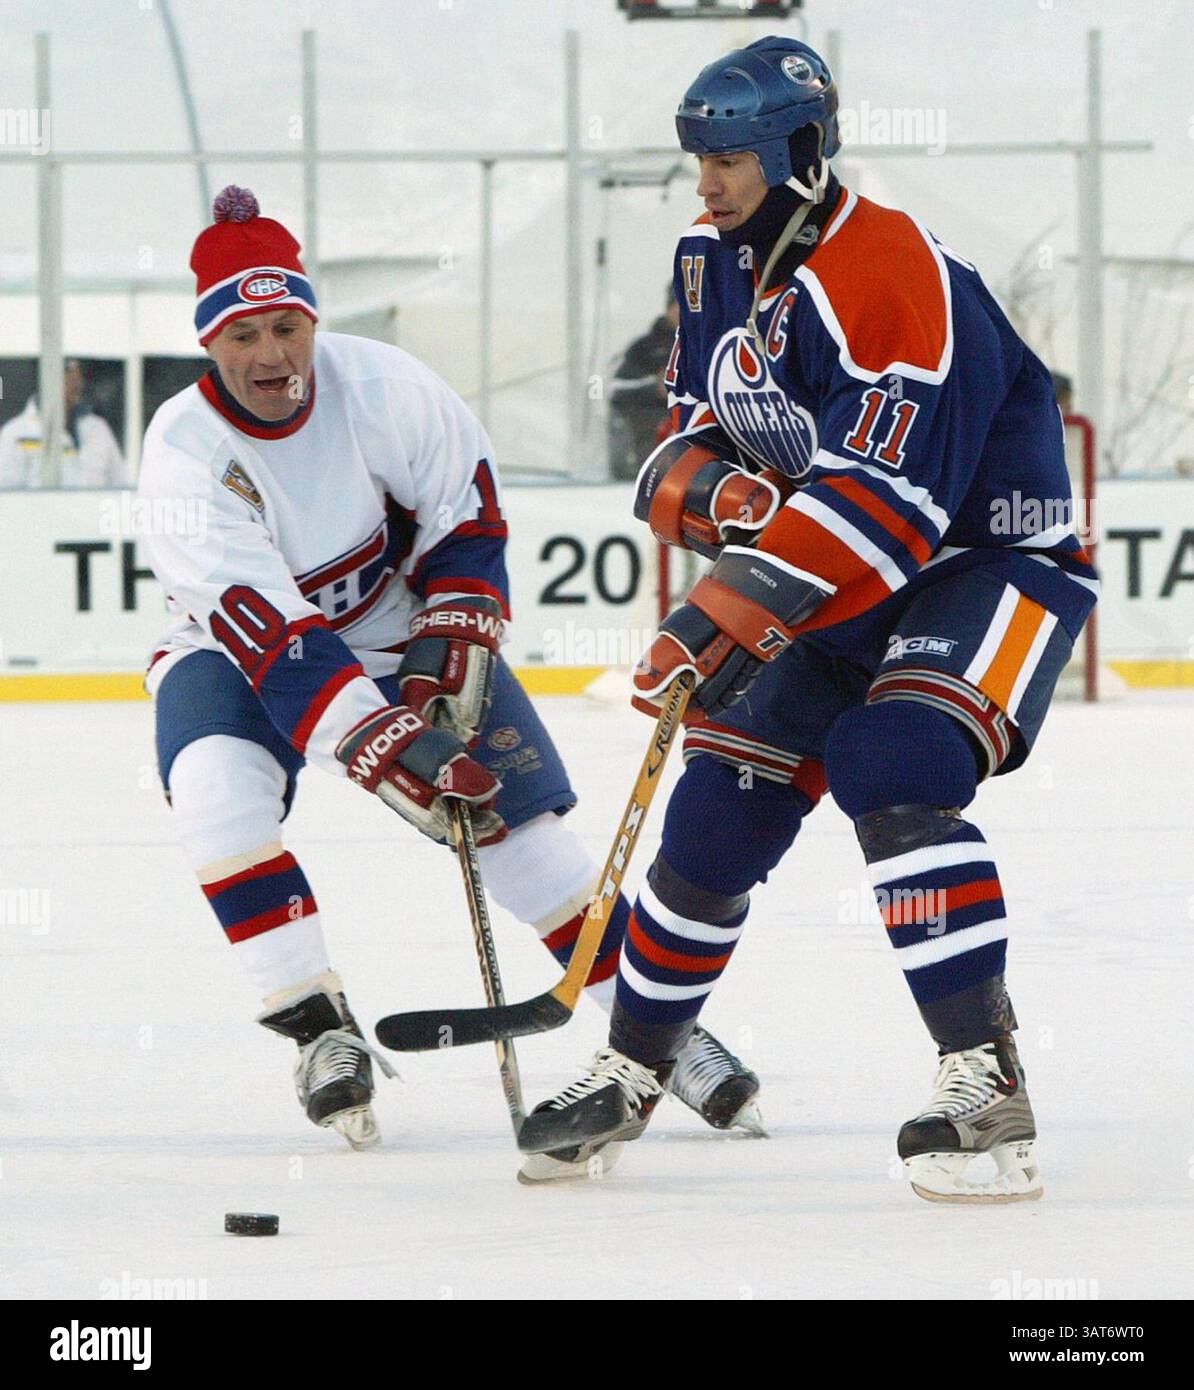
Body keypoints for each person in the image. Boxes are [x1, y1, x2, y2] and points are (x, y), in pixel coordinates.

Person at [521, 39, 1098, 1203]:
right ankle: (635, 1067)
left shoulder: (890, 272)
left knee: (893, 761)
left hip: (981, 564)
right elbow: (689, 433)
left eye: (729, 157)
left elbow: (886, 507)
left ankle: (983, 1080)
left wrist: (719, 606)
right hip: (842, 571)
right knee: (715, 813)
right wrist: (726, 498)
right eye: (700, 159)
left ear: (800, 148)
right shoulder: (707, 261)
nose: (707, 183)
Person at [137, 186, 762, 1177]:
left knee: (531, 848)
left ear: (312, 319)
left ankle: (660, 1031)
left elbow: (466, 522)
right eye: (245, 333)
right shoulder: (183, 460)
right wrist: (390, 747)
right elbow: (280, 645)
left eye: (288, 326)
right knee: (217, 795)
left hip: (397, 628)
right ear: (210, 342)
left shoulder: (384, 385)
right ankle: (316, 1027)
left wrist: (454, 636)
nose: (272, 356)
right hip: (238, 651)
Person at [0, 360, 126, 488]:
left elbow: (120, 483)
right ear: (47, 378)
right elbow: (7, 494)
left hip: (94, 507)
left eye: (78, 375)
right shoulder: (15, 433)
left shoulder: (98, 428)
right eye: (69, 375)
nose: (77, 383)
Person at [607, 287, 680, 480]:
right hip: (652, 431)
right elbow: (617, 388)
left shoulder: (701, 344)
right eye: (679, 305)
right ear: (669, 308)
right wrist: (655, 387)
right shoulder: (644, 348)